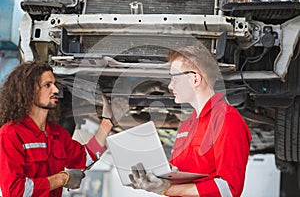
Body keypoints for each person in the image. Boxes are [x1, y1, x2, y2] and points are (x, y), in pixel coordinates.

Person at [129, 45, 252, 196]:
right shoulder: (187, 125)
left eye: (174, 78)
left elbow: (229, 189)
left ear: (195, 79)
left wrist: (166, 188)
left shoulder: (227, 119)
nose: (170, 85)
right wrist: (157, 175)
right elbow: (182, 175)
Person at [0, 62, 115, 197]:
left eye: (54, 84)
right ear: (29, 91)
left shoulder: (56, 134)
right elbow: (15, 191)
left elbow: (84, 158)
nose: (56, 90)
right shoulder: (10, 134)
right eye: (47, 85)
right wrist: (61, 179)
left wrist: (106, 124)